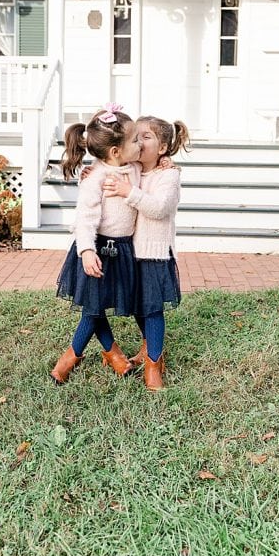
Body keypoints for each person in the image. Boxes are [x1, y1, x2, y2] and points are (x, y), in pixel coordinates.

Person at [49, 103, 141, 385]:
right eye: (135, 140)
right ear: (115, 151)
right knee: (93, 307)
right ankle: (71, 358)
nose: (139, 144)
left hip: (123, 250)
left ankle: (111, 353)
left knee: (100, 303)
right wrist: (87, 250)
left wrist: (165, 162)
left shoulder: (135, 167)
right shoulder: (96, 178)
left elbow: (154, 157)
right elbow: (86, 219)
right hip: (97, 250)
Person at [103, 115, 190, 391]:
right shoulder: (132, 169)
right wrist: (91, 174)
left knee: (152, 309)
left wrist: (130, 192)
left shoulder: (169, 174)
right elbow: (109, 167)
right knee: (138, 307)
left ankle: (154, 364)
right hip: (129, 252)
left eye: (146, 137)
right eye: (136, 136)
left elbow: (160, 208)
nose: (139, 141)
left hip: (154, 254)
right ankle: (147, 347)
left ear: (163, 148)